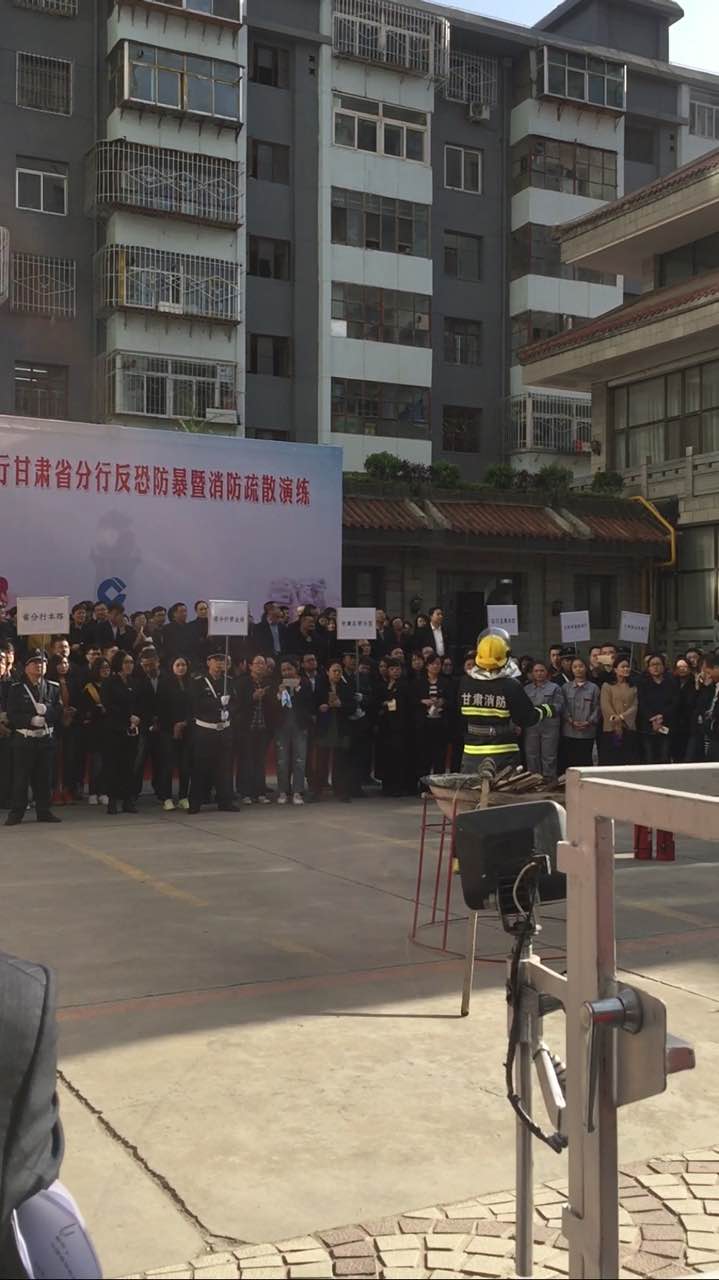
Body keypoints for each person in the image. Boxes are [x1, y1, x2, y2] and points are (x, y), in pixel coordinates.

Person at [458, 635, 557, 774]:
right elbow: (526, 718)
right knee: (504, 788)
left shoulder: (464, 683)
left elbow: (459, 716)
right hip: (503, 754)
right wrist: (547, 709)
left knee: (473, 787)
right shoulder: (510, 685)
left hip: (471, 753)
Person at [5, 650, 62, 827]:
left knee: (44, 778)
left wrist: (48, 711)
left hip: (45, 739)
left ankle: (44, 811)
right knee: (21, 779)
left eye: (42, 662)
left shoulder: (53, 687)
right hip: (25, 739)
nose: (39, 665)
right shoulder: (16, 689)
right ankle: (17, 813)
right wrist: (29, 720)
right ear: (26, 667)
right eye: (35, 662)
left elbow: (59, 711)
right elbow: (12, 714)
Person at [634, 653, 679, 860]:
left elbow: (675, 702)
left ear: (663, 666)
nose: (655, 667)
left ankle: (664, 789)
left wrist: (663, 717)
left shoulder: (671, 682)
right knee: (650, 758)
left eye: (658, 664)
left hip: (666, 725)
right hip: (648, 726)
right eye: (652, 665)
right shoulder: (643, 683)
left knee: (664, 757)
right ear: (648, 667)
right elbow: (642, 704)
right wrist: (653, 719)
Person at [187, 650, 238, 814]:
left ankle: (225, 801)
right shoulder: (198, 681)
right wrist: (218, 703)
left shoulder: (228, 681)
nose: (219, 663)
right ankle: (195, 802)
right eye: (216, 660)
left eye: (222, 660)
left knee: (225, 767)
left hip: (224, 729)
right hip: (205, 729)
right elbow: (196, 704)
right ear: (208, 662)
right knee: (200, 767)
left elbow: (236, 703)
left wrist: (229, 710)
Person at [133, 647, 174, 808]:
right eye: (145, 665)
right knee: (139, 761)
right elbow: (136, 704)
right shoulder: (137, 680)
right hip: (144, 727)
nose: (148, 668)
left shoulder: (168, 679)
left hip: (164, 726)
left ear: (158, 662)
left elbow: (172, 703)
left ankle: (164, 794)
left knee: (164, 762)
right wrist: (149, 720)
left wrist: (161, 720)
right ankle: (133, 794)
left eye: (151, 664)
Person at [103, 650, 141, 814]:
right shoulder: (110, 682)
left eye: (131, 662)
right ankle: (112, 800)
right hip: (114, 729)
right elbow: (108, 704)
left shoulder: (135, 682)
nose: (129, 665)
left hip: (132, 730)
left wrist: (137, 717)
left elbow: (140, 703)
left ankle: (128, 800)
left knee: (129, 765)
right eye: (126, 662)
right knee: (113, 765)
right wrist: (127, 716)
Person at [235, 654, 276, 804]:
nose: (260, 666)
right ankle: (245, 792)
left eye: (263, 663)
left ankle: (260, 792)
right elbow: (236, 705)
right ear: (250, 666)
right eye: (257, 663)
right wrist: (252, 698)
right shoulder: (242, 682)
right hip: (246, 727)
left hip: (263, 728)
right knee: (246, 760)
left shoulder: (269, 683)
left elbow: (274, 706)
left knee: (260, 761)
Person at [273, 657, 314, 804]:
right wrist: (279, 694)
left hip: (299, 726)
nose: (286, 672)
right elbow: (272, 705)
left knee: (299, 759)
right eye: (283, 670)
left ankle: (297, 791)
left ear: (296, 668)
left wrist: (297, 689)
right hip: (282, 727)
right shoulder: (278, 683)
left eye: (289, 669)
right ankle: (283, 791)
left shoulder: (305, 683)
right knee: (282, 760)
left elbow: (310, 703)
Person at [315, 660, 355, 800]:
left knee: (340, 760)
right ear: (328, 672)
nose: (337, 673)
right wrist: (320, 707)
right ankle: (317, 790)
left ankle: (340, 790)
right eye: (334, 671)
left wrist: (341, 704)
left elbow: (353, 707)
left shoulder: (347, 686)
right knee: (321, 760)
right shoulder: (320, 686)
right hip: (325, 726)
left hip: (341, 727)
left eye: (339, 671)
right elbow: (312, 703)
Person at [412, 653, 452, 783]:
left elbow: (452, 701)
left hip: (440, 724)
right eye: (433, 664)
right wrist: (423, 702)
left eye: (438, 664)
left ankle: (438, 786)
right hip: (424, 724)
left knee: (439, 758)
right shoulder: (419, 682)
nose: (436, 666)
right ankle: (423, 785)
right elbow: (411, 700)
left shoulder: (446, 682)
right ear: (427, 666)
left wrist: (443, 702)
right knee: (424, 757)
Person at [46, 654, 78, 804]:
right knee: (55, 759)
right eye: (60, 663)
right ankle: (55, 791)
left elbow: (80, 700)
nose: (63, 666)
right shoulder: (48, 683)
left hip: (72, 724)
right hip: (55, 724)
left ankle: (67, 789)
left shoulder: (73, 681)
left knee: (70, 758)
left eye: (65, 663)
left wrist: (74, 711)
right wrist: (60, 713)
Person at [79, 656, 111, 806]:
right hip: (95, 730)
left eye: (107, 668)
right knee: (96, 763)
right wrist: (96, 710)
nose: (105, 671)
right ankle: (93, 792)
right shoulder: (89, 688)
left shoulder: (112, 685)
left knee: (107, 763)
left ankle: (104, 791)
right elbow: (85, 710)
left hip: (110, 728)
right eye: (102, 668)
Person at [523, 660, 563, 781]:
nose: (539, 673)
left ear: (547, 672)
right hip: (532, 726)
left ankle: (549, 781)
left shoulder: (555, 688)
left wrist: (543, 710)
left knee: (549, 755)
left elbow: (559, 706)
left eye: (542, 671)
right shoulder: (526, 689)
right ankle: (533, 780)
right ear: (532, 673)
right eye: (536, 671)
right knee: (531, 754)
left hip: (549, 725)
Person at [561, 657, 600, 768]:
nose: (578, 669)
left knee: (586, 761)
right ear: (571, 670)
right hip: (570, 731)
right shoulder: (565, 688)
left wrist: (589, 722)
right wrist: (570, 721)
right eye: (575, 667)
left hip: (588, 732)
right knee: (570, 762)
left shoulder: (594, 688)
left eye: (581, 666)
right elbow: (563, 707)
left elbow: (597, 708)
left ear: (586, 668)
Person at [599, 656, 638, 766]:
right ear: (615, 669)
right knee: (612, 759)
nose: (626, 669)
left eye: (627, 667)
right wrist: (616, 720)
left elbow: (635, 706)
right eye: (623, 667)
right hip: (611, 728)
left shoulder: (633, 687)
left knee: (628, 759)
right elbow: (605, 705)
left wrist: (622, 717)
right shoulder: (607, 686)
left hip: (628, 727)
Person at [168, 656, 193, 809]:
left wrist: (185, 723)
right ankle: (167, 797)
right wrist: (174, 724)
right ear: (172, 667)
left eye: (183, 665)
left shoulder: (192, 683)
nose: (181, 667)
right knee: (168, 765)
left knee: (185, 765)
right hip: (168, 729)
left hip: (188, 728)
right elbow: (163, 706)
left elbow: (194, 706)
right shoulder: (166, 683)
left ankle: (183, 796)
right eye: (178, 665)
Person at [671, 657, 696, 763]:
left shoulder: (695, 682)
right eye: (679, 667)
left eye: (685, 666)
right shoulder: (671, 682)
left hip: (689, 724)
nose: (682, 669)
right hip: (674, 724)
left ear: (690, 668)